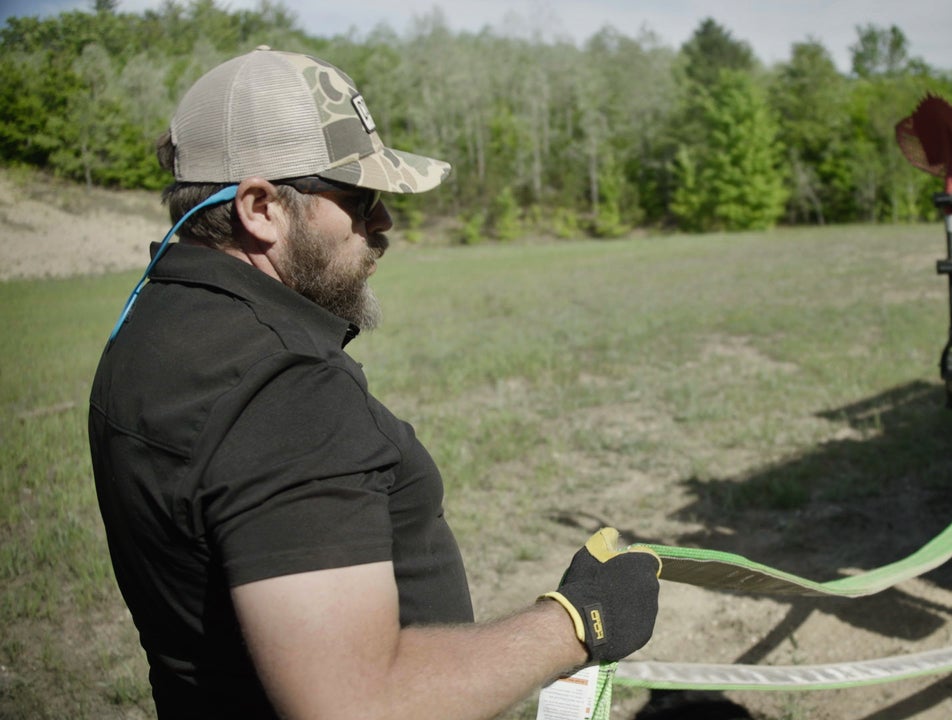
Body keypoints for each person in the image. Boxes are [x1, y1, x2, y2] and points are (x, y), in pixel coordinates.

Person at [88, 46, 661, 720]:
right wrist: (579, 621)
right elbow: (360, 704)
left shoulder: (153, 325)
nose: (383, 223)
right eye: (359, 201)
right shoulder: (285, 389)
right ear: (260, 207)